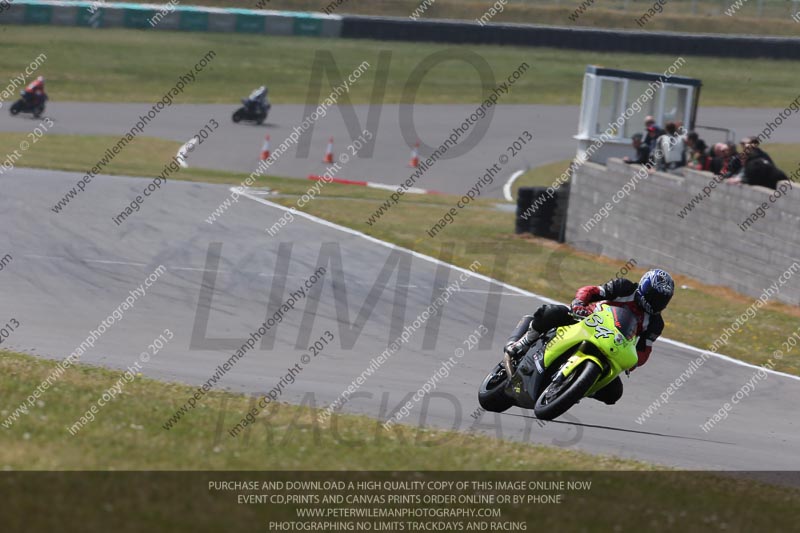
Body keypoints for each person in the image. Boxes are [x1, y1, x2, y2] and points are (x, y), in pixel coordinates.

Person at [504, 269, 674, 405]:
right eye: (653, 296)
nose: (655, 302)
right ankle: (523, 343)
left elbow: (644, 350)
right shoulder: (624, 287)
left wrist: (633, 362)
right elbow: (592, 291)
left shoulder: (655, 323)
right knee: (551, 312)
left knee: (614, 393)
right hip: (587, 319)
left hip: (611, 345)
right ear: (643, 287)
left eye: (661, 300)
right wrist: (579, 304)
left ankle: (576, 387)